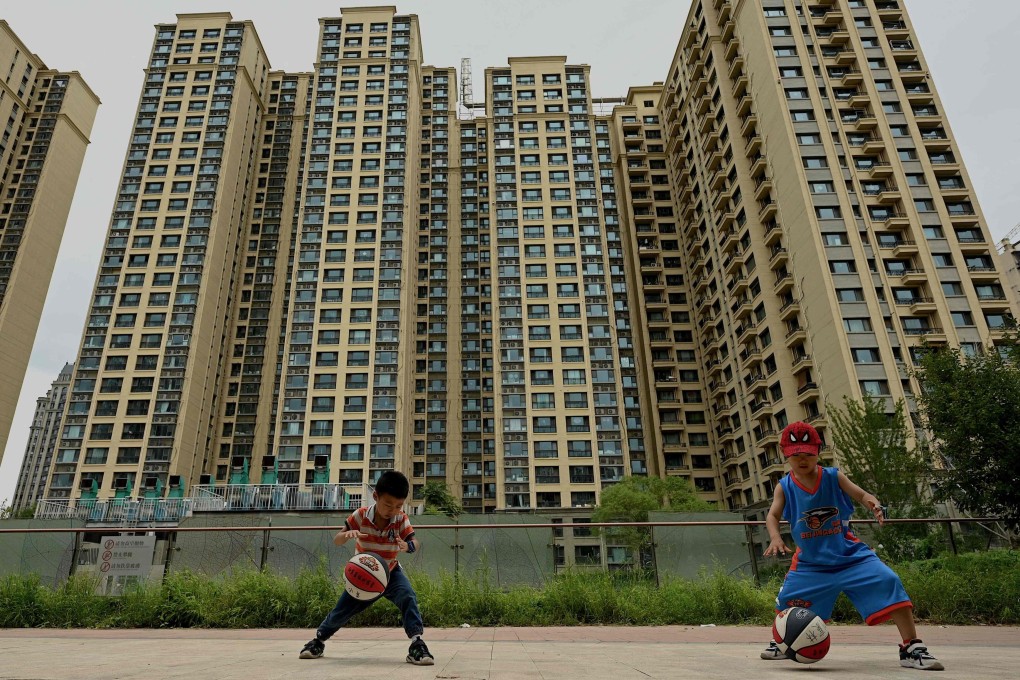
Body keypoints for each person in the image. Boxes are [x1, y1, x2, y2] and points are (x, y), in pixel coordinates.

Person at [760, 421, 943, 671]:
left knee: (889, 580)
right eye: (796, 455)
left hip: (850, 556)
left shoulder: (833, 476)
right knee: (788, 600)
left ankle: (911, 647)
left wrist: (874, 504)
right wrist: (775, 537)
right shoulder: (784, 486)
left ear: (818, 452)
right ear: (785, 455)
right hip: (811, 564)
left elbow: (862, 495)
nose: (802, 460)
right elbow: (772, 515)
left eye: (808, 454)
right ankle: (784, 641)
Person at [299, 470, 434, 666]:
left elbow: (415, 541)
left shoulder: (401, 519)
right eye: (388, 504)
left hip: (390, 572)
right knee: (342, 610)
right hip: (363, 574)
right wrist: (346, 535)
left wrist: (408, 546)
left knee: (408, 596)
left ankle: (416, 643)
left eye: (398, 506)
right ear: (376, 496)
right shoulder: (360, 515)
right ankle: (318, 641)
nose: (393, 510)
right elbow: (337, 539)